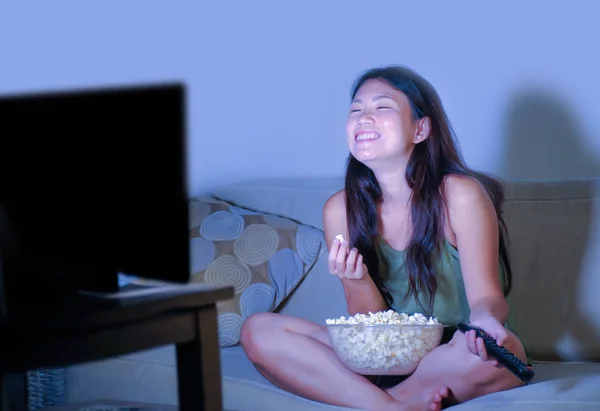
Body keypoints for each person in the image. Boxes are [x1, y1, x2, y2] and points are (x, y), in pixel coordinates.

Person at [240, 65, 528, 411]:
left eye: (382, 107)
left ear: (420, 129)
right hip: (384, 355)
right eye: (356, 109)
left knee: (497, 353)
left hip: (456, 350)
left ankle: (376, 400)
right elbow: (368, 322)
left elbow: (488, 298)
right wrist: (357, 279)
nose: (363, 117)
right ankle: (395, 405)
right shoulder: (340, 211)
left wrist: (485, 321)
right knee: (258, 331)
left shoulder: (459, 196)